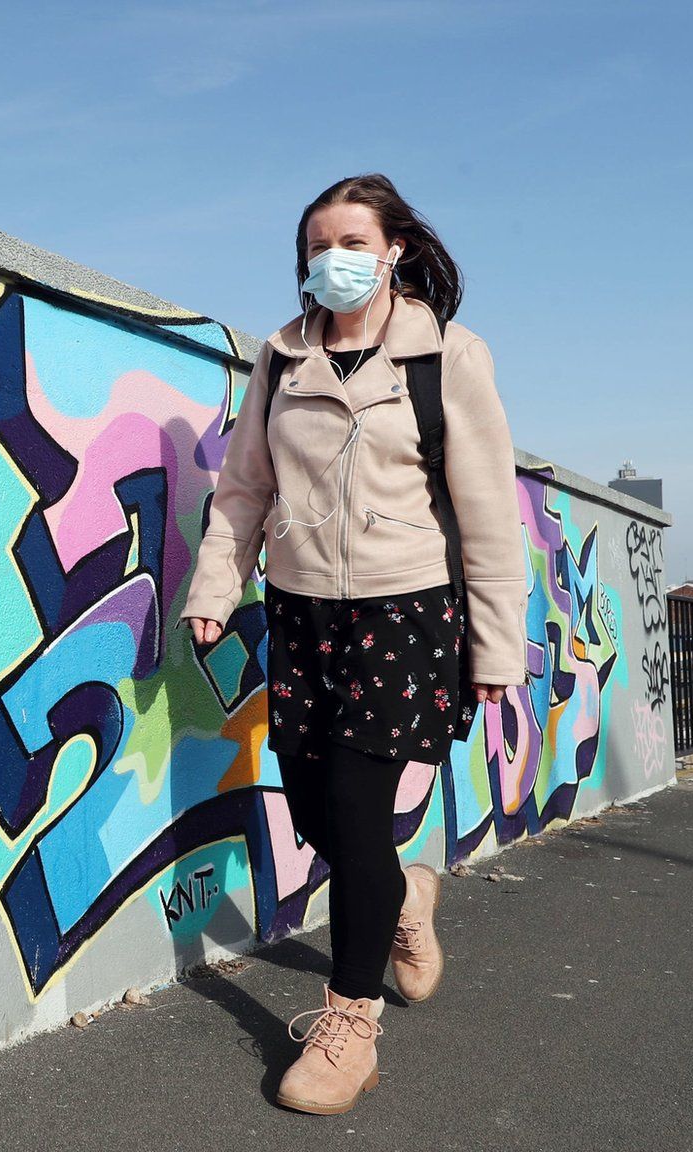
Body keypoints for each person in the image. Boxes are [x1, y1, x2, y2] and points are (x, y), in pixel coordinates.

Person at [181, 174, 531, 1115]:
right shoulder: (281, 357)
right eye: (317, 244)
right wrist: (217, 585)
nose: (333, 258)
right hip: (299, 611)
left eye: (352, 240)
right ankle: (408, 898)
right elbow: (245, 487)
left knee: (352, 798)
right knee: (310, 808)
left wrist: (499, 650)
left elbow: (491, 514)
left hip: (404, 610)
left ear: (396, 249)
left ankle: (350, 1023)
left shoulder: (446, 356)